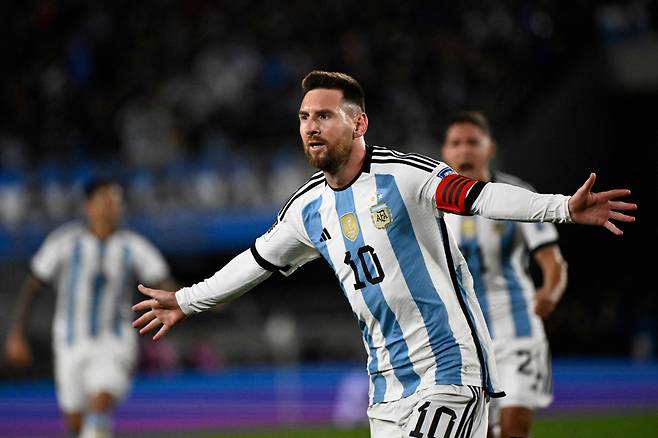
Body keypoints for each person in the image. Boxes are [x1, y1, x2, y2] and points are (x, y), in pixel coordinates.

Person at [131, 71, 636, 438]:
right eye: (305, 116)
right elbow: (255, 260)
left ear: (359, 123)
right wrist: (188, 300)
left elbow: (481, 196)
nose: (310, 126)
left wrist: (563, 209)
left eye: (324, 116)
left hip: (448, 371)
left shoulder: (406, 176)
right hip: (386, 389)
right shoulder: (307, 209)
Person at [5, 179, 176, 438]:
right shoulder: (64, 242)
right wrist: (16, 333)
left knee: (100, 402)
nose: (113, 207)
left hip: (115, 340)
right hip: (70, 342)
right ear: (89, 206)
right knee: (75, 422)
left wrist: (199, 296)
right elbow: (33, 287)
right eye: (106, 200)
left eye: (117, 202)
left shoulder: (134, 246)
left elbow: (164, 283)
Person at [441, 112, 567, 438]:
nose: (464, 151)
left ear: (490, 148)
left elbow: (552, 261)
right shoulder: (431, 205)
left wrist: (551, 290)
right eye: (456, 143)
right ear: (445, 152)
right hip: (462, 341)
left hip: (517, 332)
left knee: (513, 431)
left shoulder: (516, 194)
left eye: (472, 142)